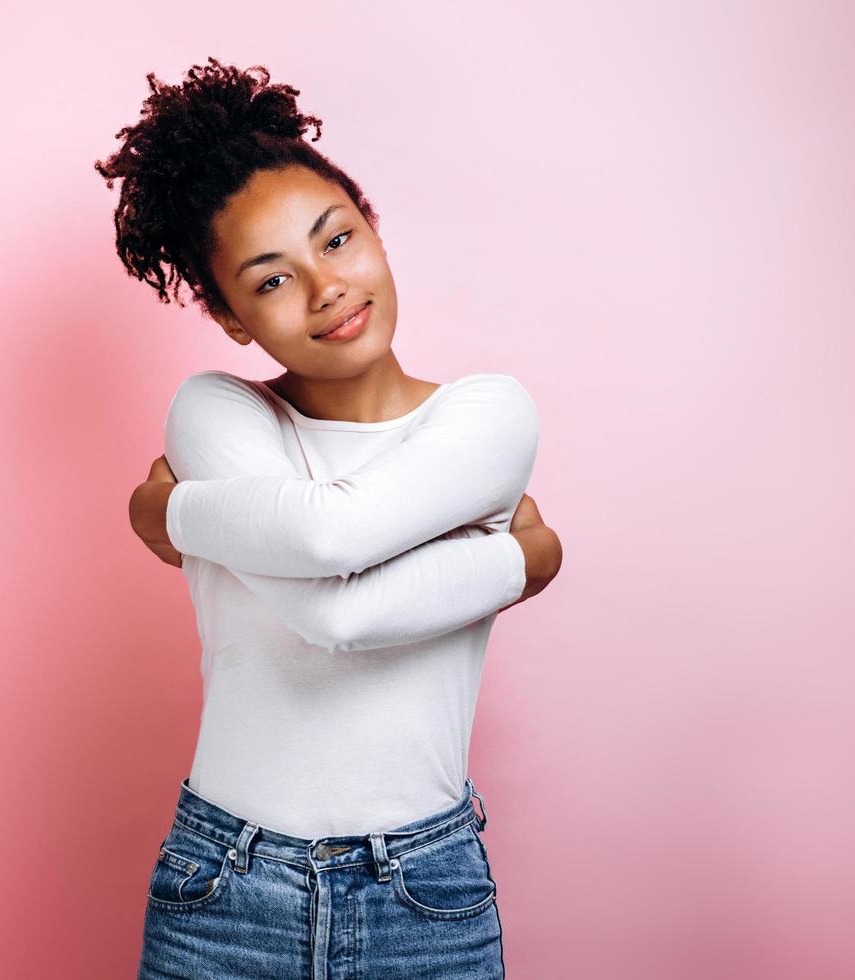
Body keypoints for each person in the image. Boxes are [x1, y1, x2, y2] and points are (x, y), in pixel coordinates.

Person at [97, 57, 564, 979]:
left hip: (425, 894)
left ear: (372, 229)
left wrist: (177, 514)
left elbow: (329, 563)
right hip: (224, 892)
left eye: (336, 240)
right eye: (270, 281)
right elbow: (330, 589)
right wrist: (517, 560)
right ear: (230, 317)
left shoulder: (484, 415)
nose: (326, 290)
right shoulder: (216, 414)